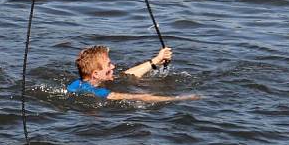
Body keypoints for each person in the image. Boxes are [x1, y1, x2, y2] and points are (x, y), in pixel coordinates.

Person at [68, 45, 200, 102]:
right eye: (109, 64)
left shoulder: (79, 83)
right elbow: (139, 97)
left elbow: (128, 74)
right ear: (96, 74)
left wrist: (156, 60)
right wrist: (179, 98)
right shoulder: (97, 92)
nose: (113, 66)